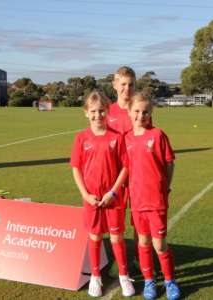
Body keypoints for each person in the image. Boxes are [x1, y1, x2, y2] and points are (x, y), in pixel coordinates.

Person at [70, 91, 135, 297]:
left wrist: (113, 193)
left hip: (112, 198)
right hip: (91, 198)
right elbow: (76, 169)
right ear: (86, 112)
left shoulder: (117, 137)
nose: (98, 115)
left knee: (116, 237)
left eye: (102, 110)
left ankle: (124, 277)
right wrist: (86, 195)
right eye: (93, 111)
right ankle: (95, 278)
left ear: (108, 111)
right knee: (95, 237)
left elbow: (125, 167)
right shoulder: (81, 138)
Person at [125, 92, 180, 300]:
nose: (141, 115)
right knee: (143, 244)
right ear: (129, 112)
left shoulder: (157, 135)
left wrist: (165, 188)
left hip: (156, 200)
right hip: (137, 202)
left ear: (151, 112)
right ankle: (149, 281)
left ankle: (170, 280)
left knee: (159, 245)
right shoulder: (126, 138)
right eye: (137, 111)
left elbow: (170, 163)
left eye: (145, 111)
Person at [107, 66, 153, 277]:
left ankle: (138, 258)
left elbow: (147, 141)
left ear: (135, 86)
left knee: (138, 221)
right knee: (116, 221)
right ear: (115, 85)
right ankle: (120, 261)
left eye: (131, 84)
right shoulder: (107, 112)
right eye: (123, 84)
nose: (127, 88)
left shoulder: (140, 110)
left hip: (138, 177)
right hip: (114, 177)